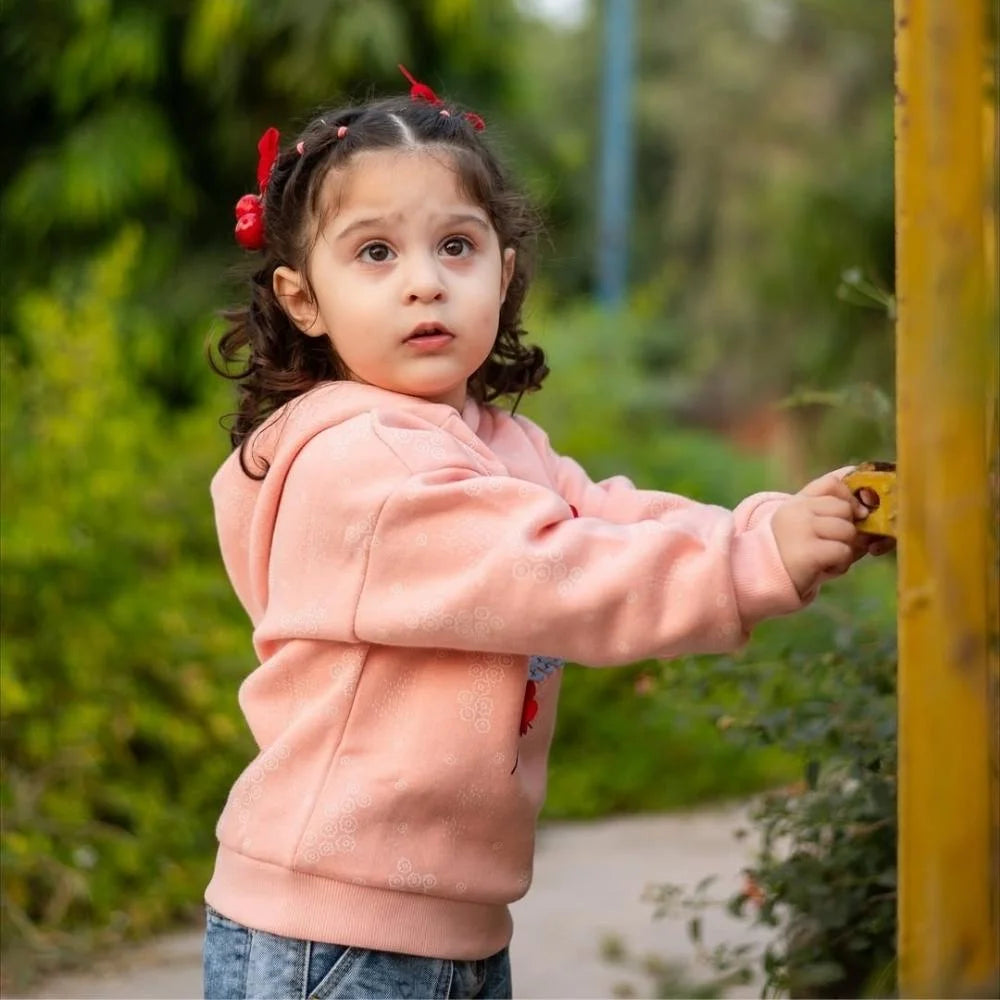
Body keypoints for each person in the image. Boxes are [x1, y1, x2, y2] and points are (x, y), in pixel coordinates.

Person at [202, 69, 891, 1000]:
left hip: (438, 917)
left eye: (457, 246)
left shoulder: (491, 442)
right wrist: (755, 561)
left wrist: (769, 526)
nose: (424, 284)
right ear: (302, 298)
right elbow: (558, 571)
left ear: (504, 272)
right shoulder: (364, 462)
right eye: (374, 253)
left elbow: (604, 516)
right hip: (341, 930)